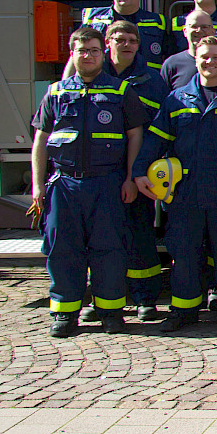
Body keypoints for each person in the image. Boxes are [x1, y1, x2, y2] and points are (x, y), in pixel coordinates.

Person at [132, 36, 217, 333]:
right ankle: (184, 309)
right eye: (204, 57)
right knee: (185, 250)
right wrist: (139, 170)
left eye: (216, 57)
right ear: (196, 60)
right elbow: (156, 140)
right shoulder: (177, 99)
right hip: (186, 189)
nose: (210, 62)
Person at [31, 26, 148, 337]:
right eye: (82, 50)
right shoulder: (56, 92)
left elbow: (135, 135)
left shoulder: (120, 91)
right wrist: (38, 184)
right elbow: (40, 139)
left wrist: (130, 178)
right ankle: (65, 313)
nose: (89, 55)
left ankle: (110, 312)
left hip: (107, 183)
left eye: (94, 50)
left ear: (102, 53)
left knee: (109, 248)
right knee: (62, 249)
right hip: (65, 184)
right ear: (73, 54)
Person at [103, 20, 168, 321]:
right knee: (102, 239)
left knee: (141, 235)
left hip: (137, 172)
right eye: (120, 39)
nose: (126, 44)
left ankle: (145, 298)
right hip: (99, 172)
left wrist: (142, 172)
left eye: (132, 39)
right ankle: (104, 296)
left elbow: (158, 131)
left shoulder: (151, 80)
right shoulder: (89, 75)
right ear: (108, 42)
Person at [76, 0, 166, 71]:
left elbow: (169, 60)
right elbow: (76, 55)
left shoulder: (158, 22)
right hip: (103, 83)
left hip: (144, 84)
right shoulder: (92, 18)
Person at [159, 9, 217, 90]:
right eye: (194, 26)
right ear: (185, 31)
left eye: (204, 27)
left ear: (213, 31)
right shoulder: (171, 64)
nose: (199, 30)